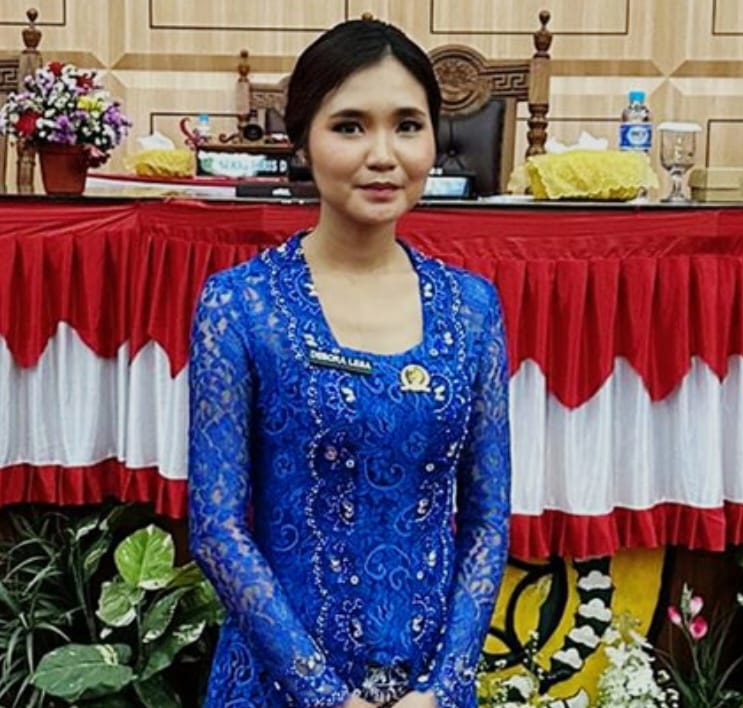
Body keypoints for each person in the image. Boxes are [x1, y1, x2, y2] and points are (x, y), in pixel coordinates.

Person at [187, 17, 511, 708]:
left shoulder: (472, 308)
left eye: (407, 126)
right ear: (302, 139)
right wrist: (325, 695)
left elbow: (487, 520)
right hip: (277, 685)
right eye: (350, 126)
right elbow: (217, 530)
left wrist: (447, 685)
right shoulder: (241, 305)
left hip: (427, 690)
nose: (383, 155)